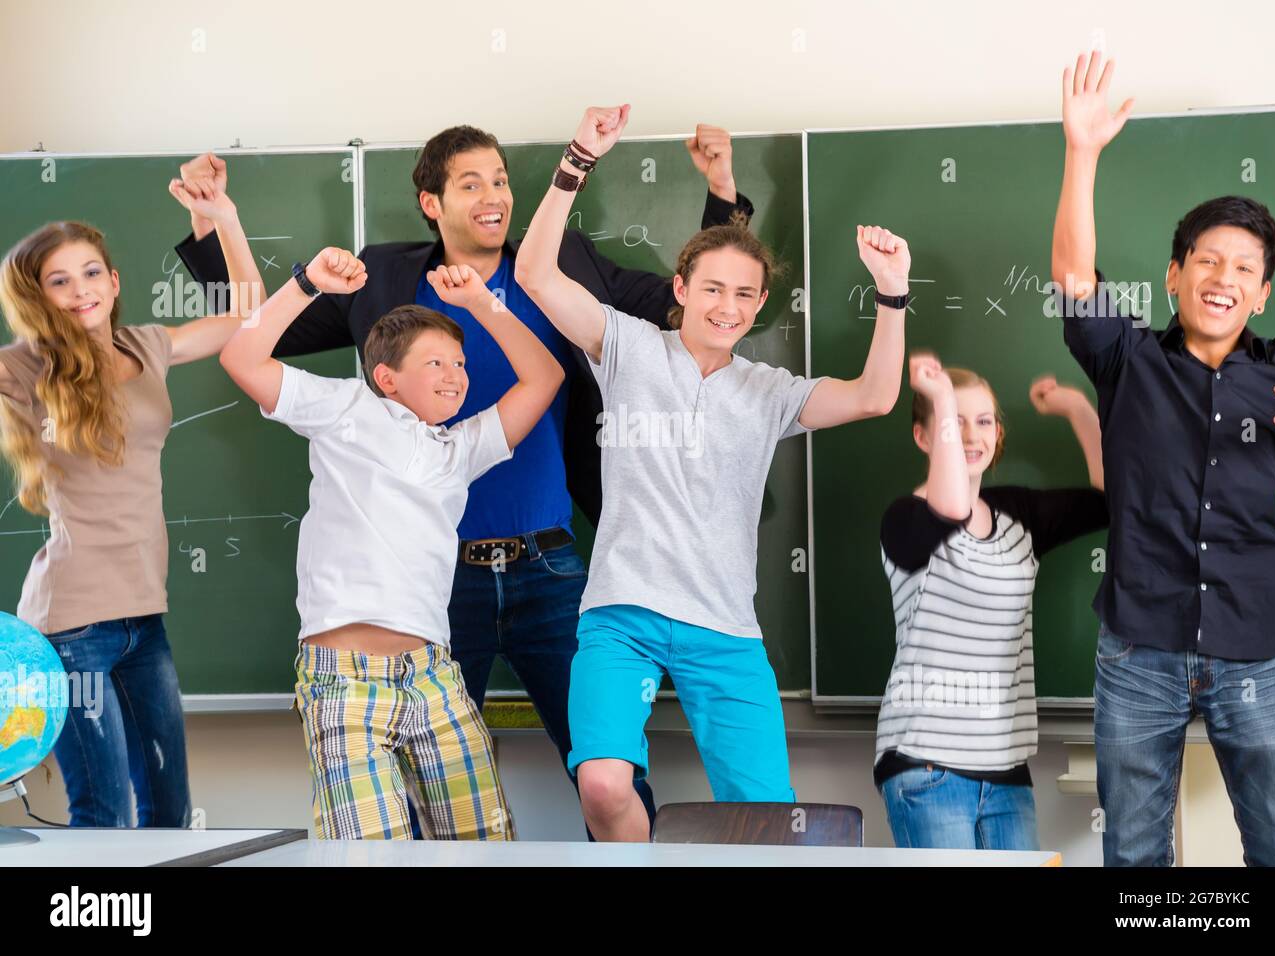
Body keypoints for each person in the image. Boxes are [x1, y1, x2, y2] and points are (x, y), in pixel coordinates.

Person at [172, 122, 751, 828]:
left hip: (551, 566)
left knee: (609, 769)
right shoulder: (384, 278)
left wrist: (723, 192)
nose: (493, 196)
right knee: (431, 795)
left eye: (502, 180)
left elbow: (682, 304)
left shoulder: (558, 263)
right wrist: (212, 229)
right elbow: (268, 337)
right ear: (430, 202)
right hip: (437, 589)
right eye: (470, 183)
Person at [516, 104, 909, 841]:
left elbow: (875, 396)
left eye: (743, 295)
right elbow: (535, 272)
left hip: (724, 629)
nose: (726, 306)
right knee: (602, 782)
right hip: (621, 615)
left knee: (767, 821)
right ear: (681, 288)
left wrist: (892, 291)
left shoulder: (768, 391)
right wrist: (577, 159)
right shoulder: (628, 349)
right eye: (712, 289)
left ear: (760, 305)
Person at [217, 233, 563, 839]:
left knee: (485, 846)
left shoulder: (459, 449)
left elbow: (543, 377)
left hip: (433, 674)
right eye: (436, 363)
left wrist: (485, 306)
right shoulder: (345, 408)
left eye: (459, 364)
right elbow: (242, 359)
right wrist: (306, 285)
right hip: (342, 676)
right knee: (372, 854)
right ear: (386, 376)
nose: (456, 376)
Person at [1053, 50, 1275, 865]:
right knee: (1131, 855)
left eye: (1244, 269)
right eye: (1207, 260)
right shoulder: (1129, 361)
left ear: (1262, 293)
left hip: (1257, 647)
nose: (1223, 278)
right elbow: (1072, 276)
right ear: (1174, 275)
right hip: (1138, 649)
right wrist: (1082, 150)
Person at [0, 177, 262, 827]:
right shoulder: (21, 369)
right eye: (58, 281)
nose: (80, 288)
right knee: (103, 813)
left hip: (145, 620)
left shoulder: (147, 345)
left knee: (169, 811)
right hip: (71, 629)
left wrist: (222, 217)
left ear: (115, 282)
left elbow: (252, 317)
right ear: (36, 299)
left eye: (91, 271)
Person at [876, 354, 1106, 849]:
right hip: (926, 767)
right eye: (952, 422)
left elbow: (1116, 497)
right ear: (923, 436)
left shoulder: (1018, 514)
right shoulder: (905, 519)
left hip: (1006, 770)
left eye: (983, 422)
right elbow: (953, 507)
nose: (971, 435)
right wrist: (936, 394)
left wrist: (1077, 409)